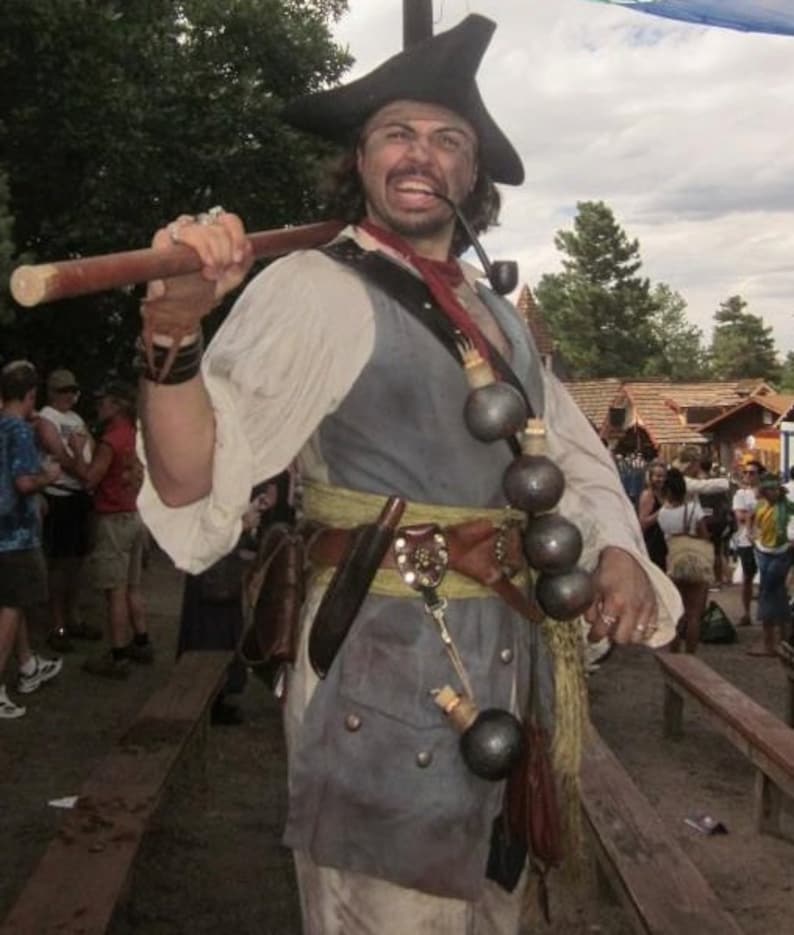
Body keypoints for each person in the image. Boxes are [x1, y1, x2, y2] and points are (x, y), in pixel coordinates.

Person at [136, 15, 682, 931]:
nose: (420, 154)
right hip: (379, 677)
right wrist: (171, 334)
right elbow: (192, 478)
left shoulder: (497, 318)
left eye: (447, 139)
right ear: (359, 160)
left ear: (473, 176)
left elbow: (570, 457)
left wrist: (619, 550)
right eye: (396, 133)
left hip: (506, 673)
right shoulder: (315, 288)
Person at [70, 381, 151, 678]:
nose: (99, 406)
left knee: (114, 591)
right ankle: (142, 641)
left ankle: (118, 655)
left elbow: (90, 479)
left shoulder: (111, 440)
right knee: (133, 586)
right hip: (134, 514)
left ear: (117, 405)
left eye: (103, 402)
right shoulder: (135, 435)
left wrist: (75, 453)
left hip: (113, 519)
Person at [0, 362, 64, 719]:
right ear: (30, 395)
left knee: (14, 600)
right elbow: (23, 482)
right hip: (16, 534)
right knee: (11, 607)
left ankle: (27, 666)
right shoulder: (20, 431)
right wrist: (48, 477)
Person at [36, 368, 99, 652]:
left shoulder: (76, 418)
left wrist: (87, 470)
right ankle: (58, 625)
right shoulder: (47, 417)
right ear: (51, 392)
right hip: (59, 495)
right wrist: (85, 471)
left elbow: (90, 448)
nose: (69, 396)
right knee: (60, 564)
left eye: (72, 390)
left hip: (79, 495)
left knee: (77, 561)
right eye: (63, 391)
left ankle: (73, 618)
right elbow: (60, 455)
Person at [657, 467, 712, 654]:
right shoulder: (694, 509)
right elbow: (705, 536)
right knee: (694, 614)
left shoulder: (662, 513)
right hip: (696, 563)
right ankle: (690, 654)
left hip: (674, 561)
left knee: (677, 612)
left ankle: (674, 653)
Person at [747, 474, 794, 656]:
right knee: (777, 593)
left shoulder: (787, 506)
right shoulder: (760, 505)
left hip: (782, 551)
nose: (773, 492)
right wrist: (750, 534)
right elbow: (751, 518)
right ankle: (781, 640)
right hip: (763, 551)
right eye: (769, 489)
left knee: (768, 591)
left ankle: (771, 643)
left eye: (775, 489)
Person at [733, 459, 763, 627]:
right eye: (745, 472)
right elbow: (740, 516)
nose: (748, 475)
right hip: (746, 540)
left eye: (752, 472)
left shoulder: (766, 493)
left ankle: (765, 614)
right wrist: (758, 515)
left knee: (767, 577)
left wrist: (752, 514)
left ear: (759, 475)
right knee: (747, 576)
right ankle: (746, 613)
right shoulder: (741, 494)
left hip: (766, 539)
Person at [637, 459, 668, 571]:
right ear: (650, 477)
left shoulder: (663, 494)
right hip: (652, 544)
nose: (661, 479)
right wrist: (662, 511)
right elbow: (643, 523)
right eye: (658, 476)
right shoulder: (648, 495)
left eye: (663, 476)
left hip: (663, 543)